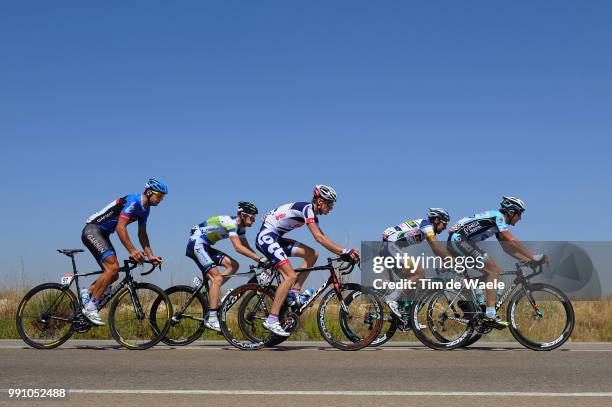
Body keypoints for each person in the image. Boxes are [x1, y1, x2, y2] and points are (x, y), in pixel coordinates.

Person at [256, 185, 360, 336]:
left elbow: (322, 237)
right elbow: (318, 238)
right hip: (266, 237)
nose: (331, 207)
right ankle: (271, 319)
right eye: (329, 203)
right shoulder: (307, 209)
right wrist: (343, 251)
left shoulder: (312, 214)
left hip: (277, 238)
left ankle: (293, 292)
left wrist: (342, 251)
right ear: (319, 201)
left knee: (312, 255)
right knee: (290, 275)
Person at [447, 196, 547, 327]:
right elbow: (510, 239)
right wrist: (533, 256)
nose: (520, 218)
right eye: (519, 214)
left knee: (492, 273)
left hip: (459, 241)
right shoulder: (498, 216)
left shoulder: (496, 225)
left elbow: (507, 248)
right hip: (459, 240)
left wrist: (527, 260)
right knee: (494, 271)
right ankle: (490, 314)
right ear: (511, 212)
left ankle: (467, 292)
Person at [80, 178, 167, 325]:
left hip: (103, 234)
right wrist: (133, 251)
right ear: (148, 192)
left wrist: (151, 255)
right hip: (93, 230)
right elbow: (121, 227)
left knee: (113, 276)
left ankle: (86, 293)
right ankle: (91, 307)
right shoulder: (134, 201)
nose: (160, 199)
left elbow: (142, 234)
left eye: (162, 197)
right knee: (112, 268)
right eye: (159, 196)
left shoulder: (145, 210)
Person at [187, 201, 267, 331]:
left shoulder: (241, 228)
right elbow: (238, 248)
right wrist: (259, 259)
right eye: (252, 217)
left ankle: (212, 288)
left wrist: (262, 259)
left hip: (205, 246)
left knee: (234, 265)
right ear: (243, 215)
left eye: (254, 218)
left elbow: (246, 246)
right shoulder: (231, 223)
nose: (253, 221)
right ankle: (212, 319)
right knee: (217, 278)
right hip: (197, 244)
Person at [381, 208, 453, 317]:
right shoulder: (427, 225)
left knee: (415, 281)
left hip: (388, 248)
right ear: (437, 220)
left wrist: (445, 260)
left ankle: (407, 317)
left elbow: (435, 250)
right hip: (390, 246)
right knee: (419, 273)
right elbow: (436, 246)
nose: (445, 227)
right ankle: (391, 299)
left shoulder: (426, 228)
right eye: (444, 223)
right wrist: (451, 260)